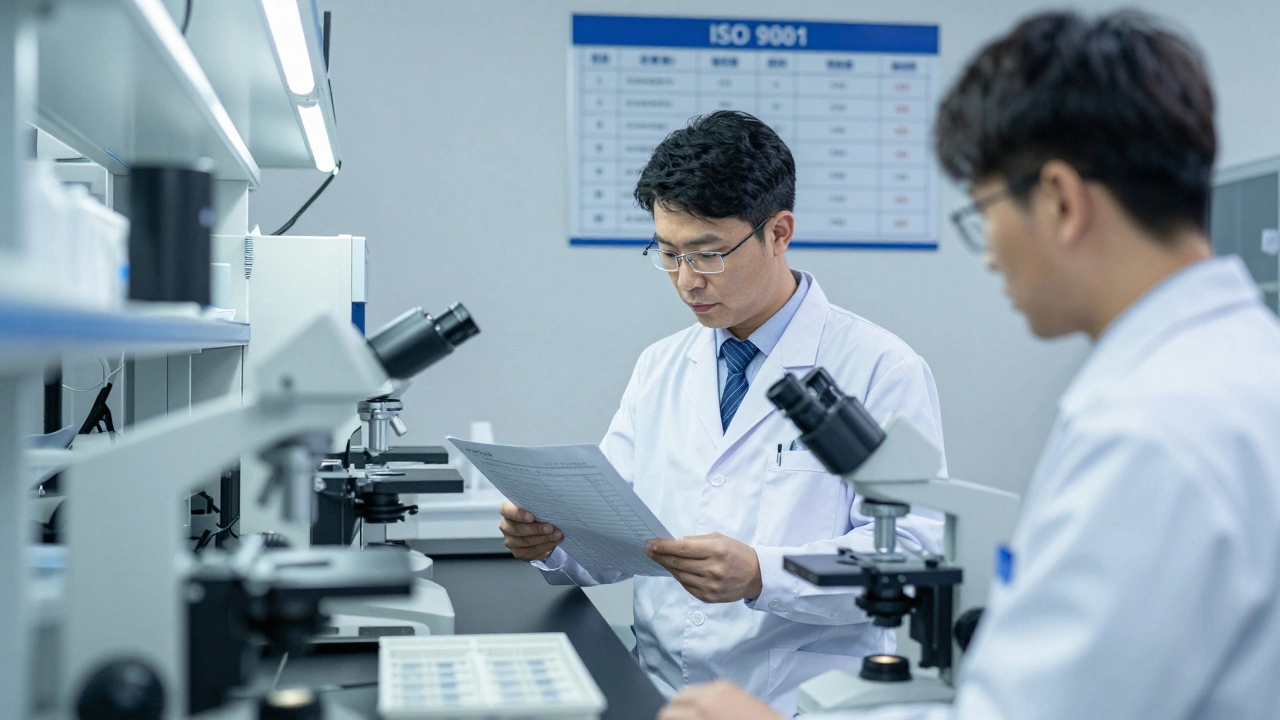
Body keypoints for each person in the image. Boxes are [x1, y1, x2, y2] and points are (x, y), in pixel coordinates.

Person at [655, 10, 1280, 720]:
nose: (988, 254)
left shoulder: (1152, 427)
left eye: (985, 214)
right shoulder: (1242, 369)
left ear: (1060, 201)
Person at [497, 110, 946, 713]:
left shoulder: (880, 367)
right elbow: (616, 529)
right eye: (668, 254)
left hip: (800, 699)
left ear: (778, 232)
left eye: (707, 254)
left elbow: (911, 554)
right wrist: (550, 538)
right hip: (659, 691)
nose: (687, 281)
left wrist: (764, 573)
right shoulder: (660, 364)